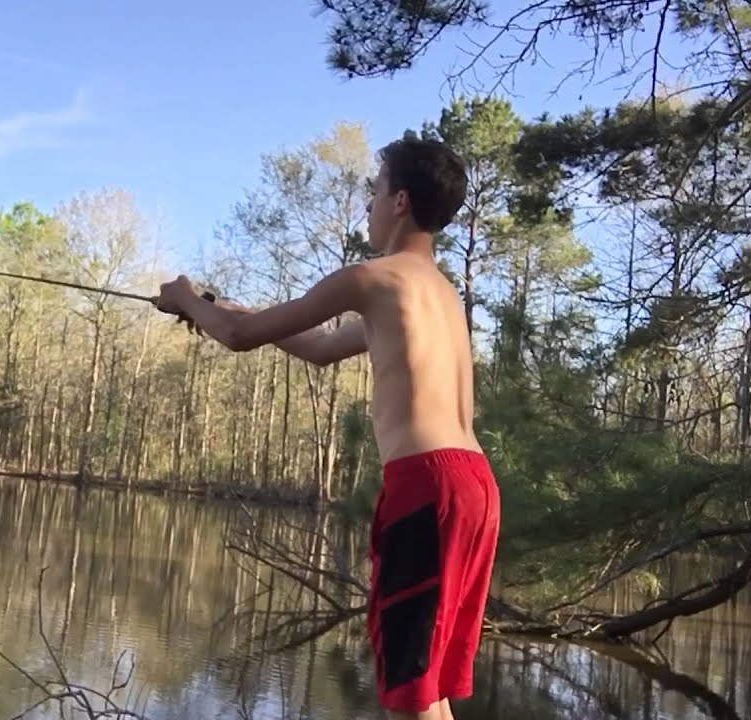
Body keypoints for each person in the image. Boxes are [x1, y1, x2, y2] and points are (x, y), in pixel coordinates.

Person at [155, 136, 500, 720]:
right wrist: (223, 310)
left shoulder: (372, 278)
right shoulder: (439, 294)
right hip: (475, 487)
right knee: (429, 685)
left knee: (409, 693)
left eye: (375, 189)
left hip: (426, 485)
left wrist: (187, 298)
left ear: (399, 202)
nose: (368, 203)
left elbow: (239, 340)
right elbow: (314, 346)